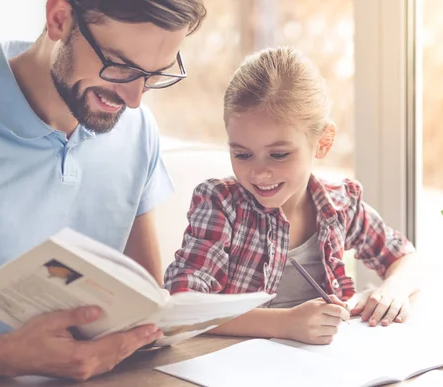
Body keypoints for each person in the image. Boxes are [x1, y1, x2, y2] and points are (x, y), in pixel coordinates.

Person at [0, 0, 206, 381]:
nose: (134, 99)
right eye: (120, 66)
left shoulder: (136, 129)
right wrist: (0, 355)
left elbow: (147, 306)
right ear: (59, 18)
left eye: (153, 75)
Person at [163, 46, 422, 345]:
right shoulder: (221, 204)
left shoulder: (339, 204)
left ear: (322, 142)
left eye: (279, 154)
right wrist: (285, 324)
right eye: (243, 154)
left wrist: (392, 289)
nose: (260, 173)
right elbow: (183, 305)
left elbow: (405, 257)